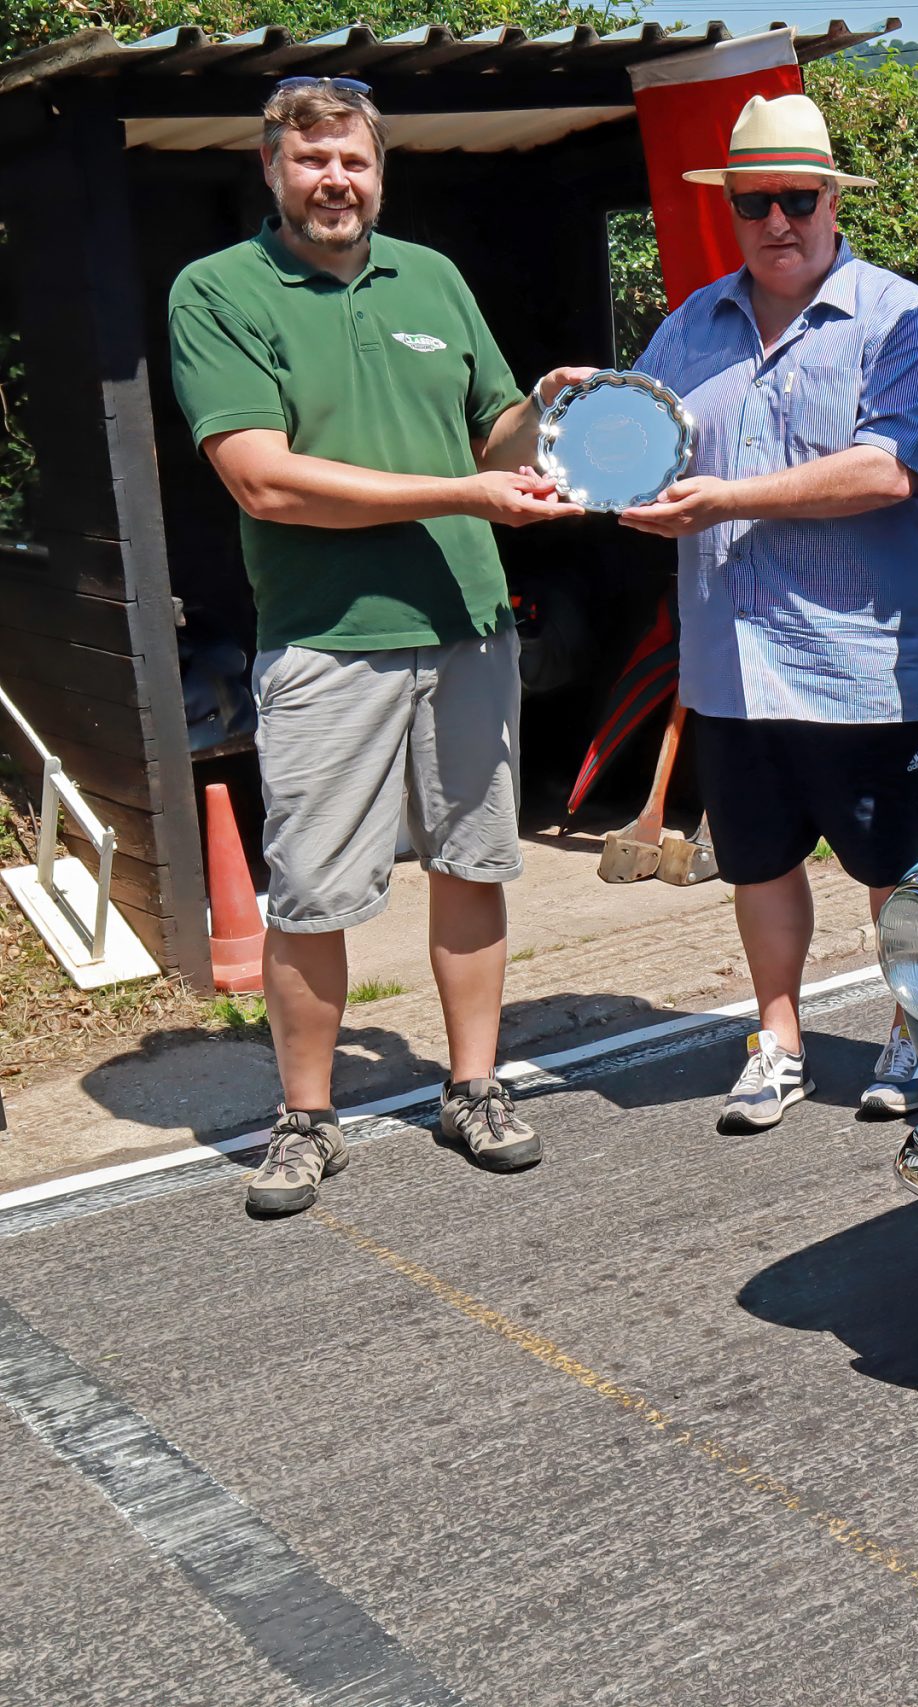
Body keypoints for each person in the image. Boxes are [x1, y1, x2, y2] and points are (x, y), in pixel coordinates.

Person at [168, 79, 589, 1217]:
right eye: (311, 164)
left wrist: (550, 413)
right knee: (309, 894)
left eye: (353, 162)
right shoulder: (219, 291)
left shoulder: (434, 279)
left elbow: (495, 427)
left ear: (379, 171)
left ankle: (473, 1086)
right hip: (326, 643)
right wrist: (460, 488)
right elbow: (265, 476)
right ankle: (307, 1118)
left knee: (474, 866)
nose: (334, 182)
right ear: (272, 170)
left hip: (467, 627)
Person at [621, 93, 918, 1131]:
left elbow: (887, 470)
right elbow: (633, 438)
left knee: (892, 870)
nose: (778, 221)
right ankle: (779, 1041)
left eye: (798, 200)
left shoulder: (897, 316)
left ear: (831, 203)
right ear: (731, 208)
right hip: (730, 660)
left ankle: (915, 1032)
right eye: (756, 202)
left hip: (861, 659)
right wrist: (572, 421)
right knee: (760, 862)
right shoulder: (688, 326)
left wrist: (722, 499)